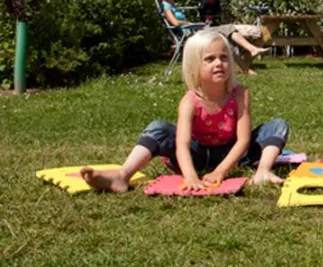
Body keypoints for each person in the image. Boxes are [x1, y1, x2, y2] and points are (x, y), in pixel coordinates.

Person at [81, 29, 290, 191]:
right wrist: (190, 176)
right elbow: (182, 144)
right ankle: (122, 174)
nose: (219, 63)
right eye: (210, 59)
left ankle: (263, 171)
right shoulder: (189, 101)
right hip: (195, 154)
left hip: (232, 153)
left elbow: (243, 140)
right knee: (158, 128)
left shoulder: (240, 94)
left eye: (224, 57)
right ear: (193, 67)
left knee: (277, 126)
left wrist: (220, 172)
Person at [158, 0, 269, 63]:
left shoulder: (172, 5)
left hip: (194, 31)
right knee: (228, 31)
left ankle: (250, 54)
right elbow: (175, 23)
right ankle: (249, 55)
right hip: (190, 34)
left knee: (228, 32)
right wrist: (191, 24)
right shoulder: (166, 6)